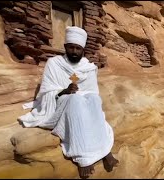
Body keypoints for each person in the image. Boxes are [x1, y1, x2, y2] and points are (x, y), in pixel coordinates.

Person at [18, 26, 119, 179]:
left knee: (94, 100)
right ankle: (83, 157)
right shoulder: (54, 63)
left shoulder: (88, 67)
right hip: (61, 100)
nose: (74, 51)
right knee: (75, 100)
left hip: (81, 99)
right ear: (65, 47)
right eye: (71, 47)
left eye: (78, 48)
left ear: (82, 50)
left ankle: (105, 150)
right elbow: (46, 91)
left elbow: (92, 91)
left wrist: (83, 94)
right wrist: (64, 91)